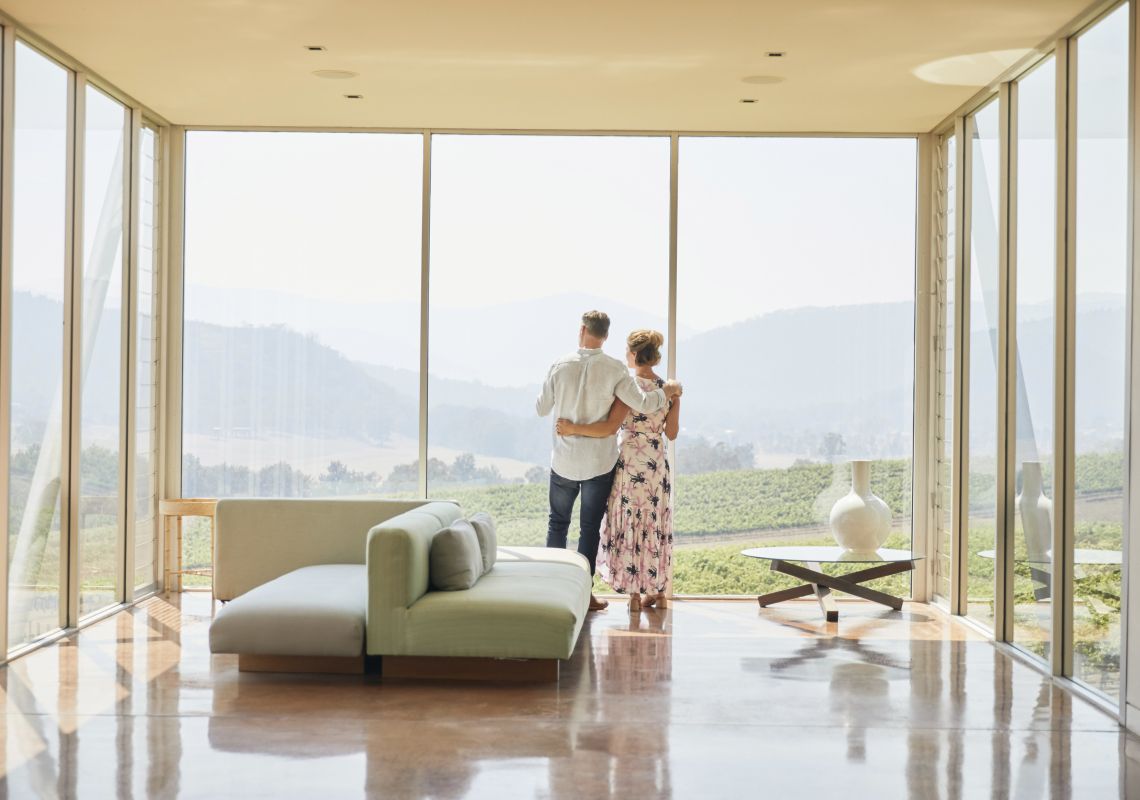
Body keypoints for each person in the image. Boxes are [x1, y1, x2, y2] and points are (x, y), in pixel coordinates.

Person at [537, 311, 682, 611]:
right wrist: (668, 393)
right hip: (625, 466)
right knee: (598, 528)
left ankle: (555, 590)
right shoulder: (627, 374)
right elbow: (658, 419)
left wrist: (571, 424)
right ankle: (593, 594)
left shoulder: (565, 366)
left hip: (590, 461)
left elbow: (546, 409)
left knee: (563, 523)